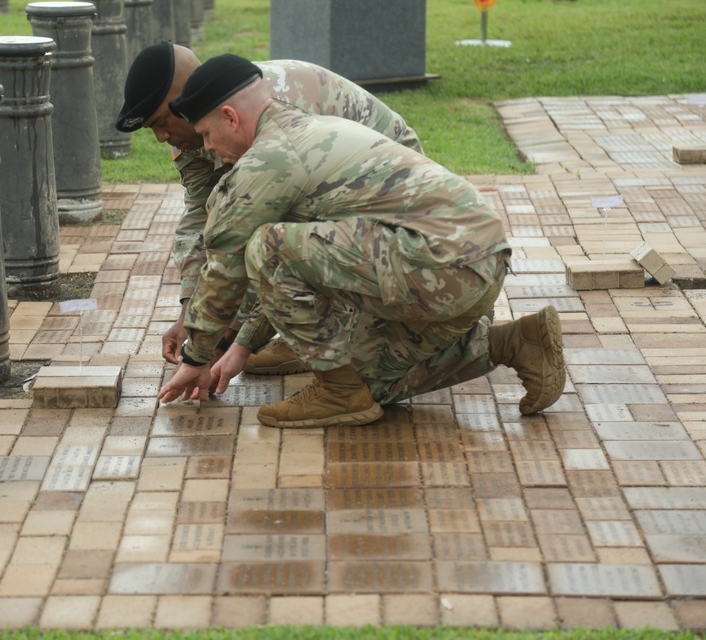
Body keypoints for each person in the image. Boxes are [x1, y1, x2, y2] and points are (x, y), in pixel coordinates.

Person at [155, 54, 566, 428]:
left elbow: (229, 268)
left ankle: (338, 393)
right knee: (370, 384)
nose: (208, 148)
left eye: (207, 134)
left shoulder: (268, 161)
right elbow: (294, 275)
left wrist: (197, 356)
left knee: (267, 246)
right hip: (473, 264)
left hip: (444, 266)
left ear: (231, 117)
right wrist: (244, 344)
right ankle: (516, 342)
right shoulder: (310, 126)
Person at [115, 42, 424, 377]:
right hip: (336, 201)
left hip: (394, 199)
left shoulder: (266, 106)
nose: (162, 138)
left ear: (183, 102)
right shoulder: (202, 123)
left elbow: (264, 229)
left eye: (162, 122)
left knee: (371, 367)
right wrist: (189, 314)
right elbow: (202, 219)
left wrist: (223, 341)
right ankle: (309, 330)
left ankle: (332, 336)